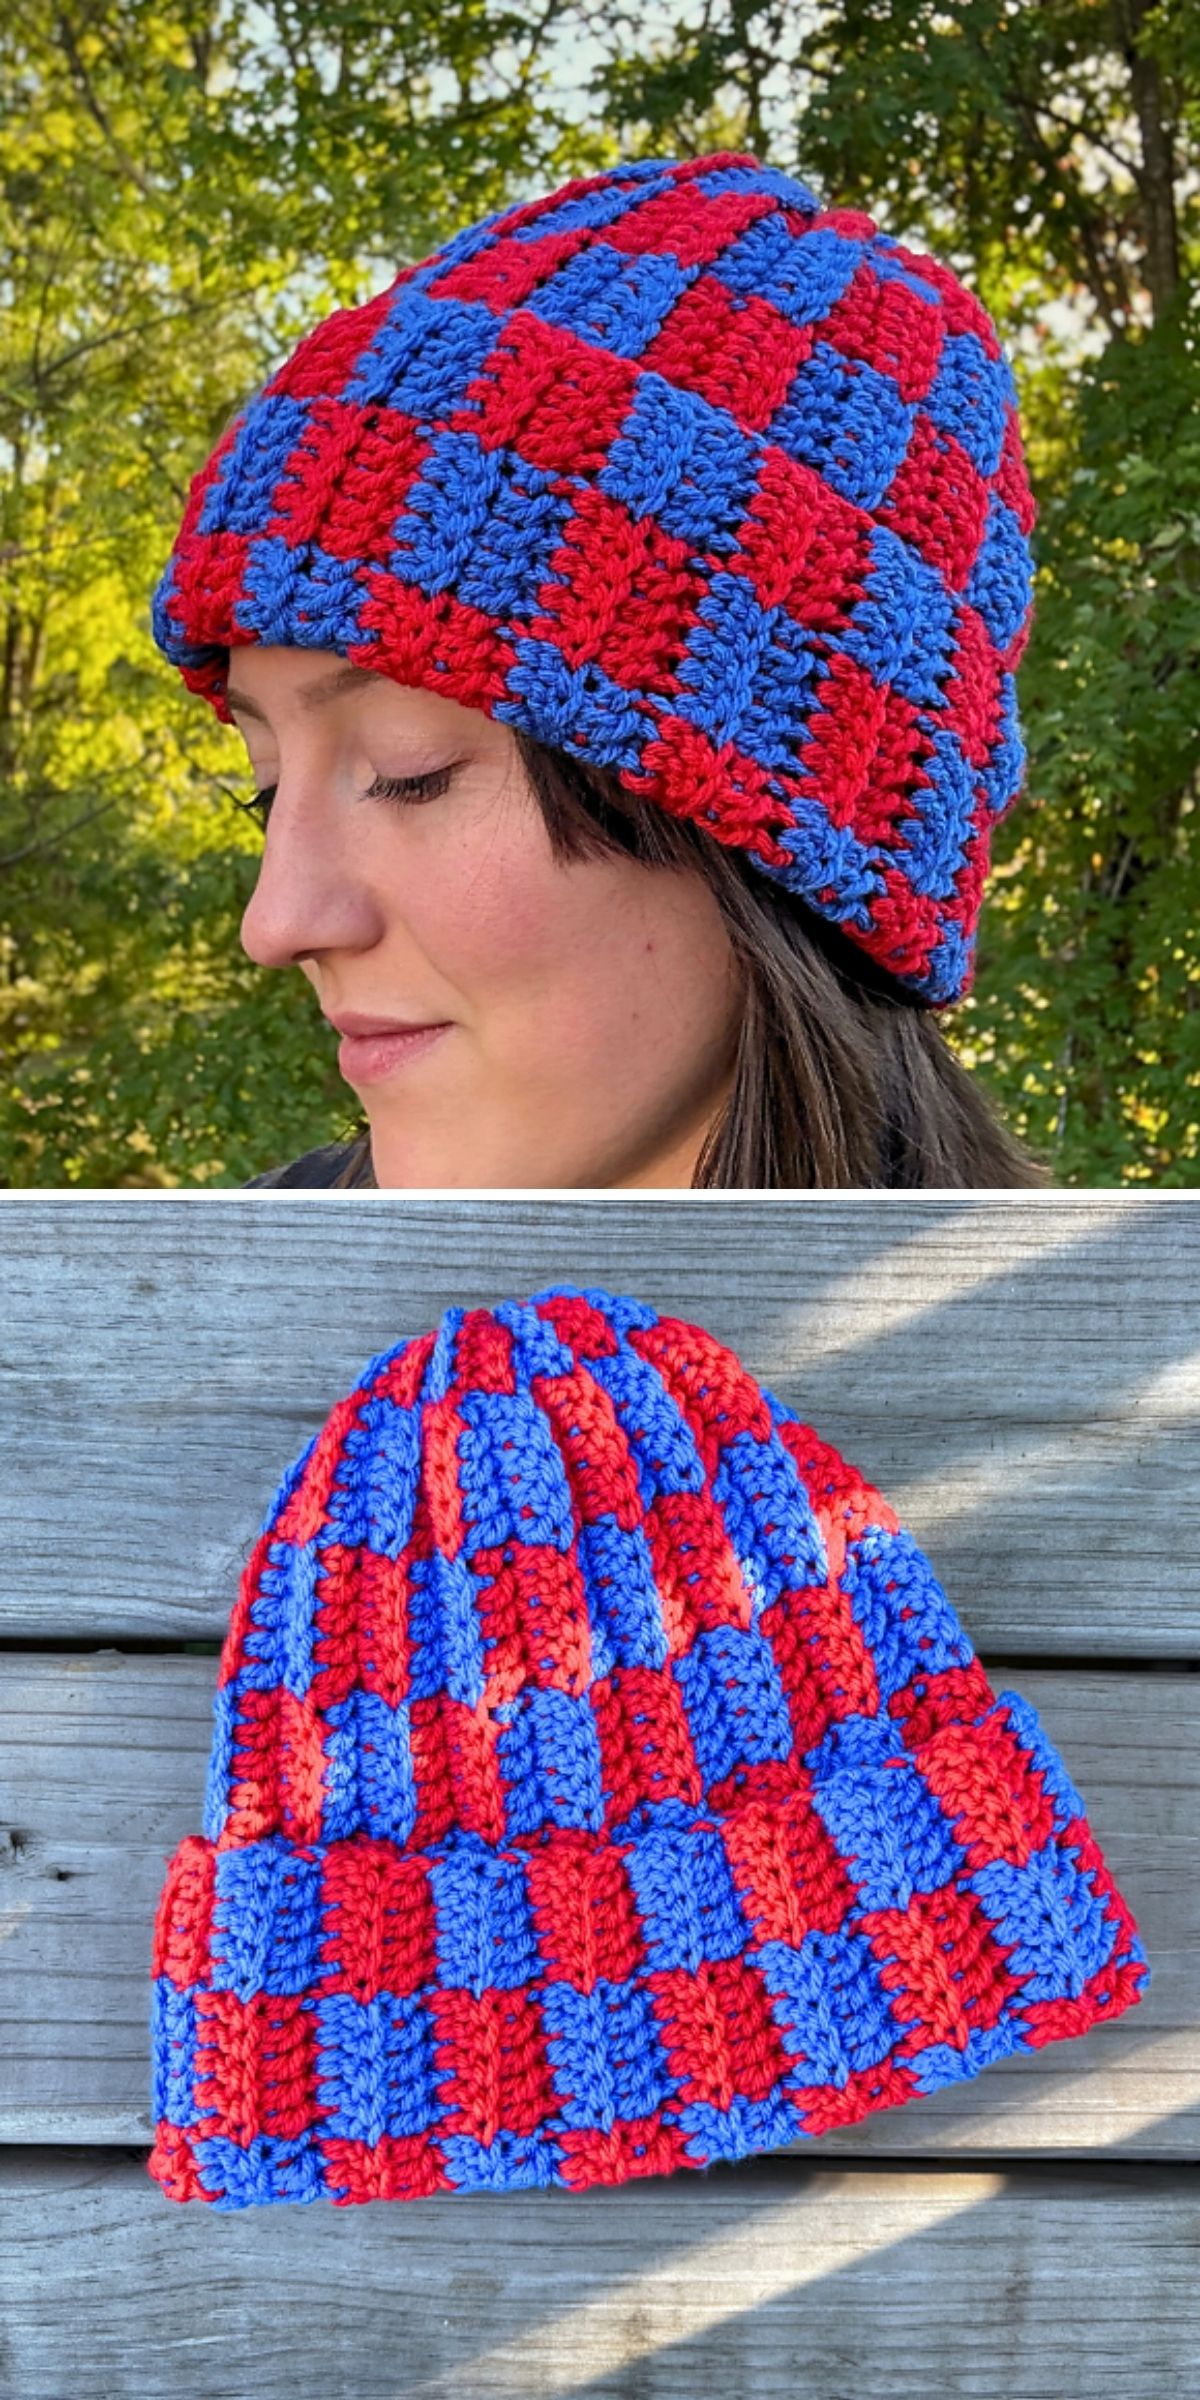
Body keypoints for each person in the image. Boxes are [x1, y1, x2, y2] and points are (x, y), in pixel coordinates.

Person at [150, 150, 1045, 1190]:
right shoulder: (214, 1310)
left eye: (410, 770)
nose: (278, 923)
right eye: (266, 791)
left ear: (784, 852)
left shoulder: (1121, 1350)